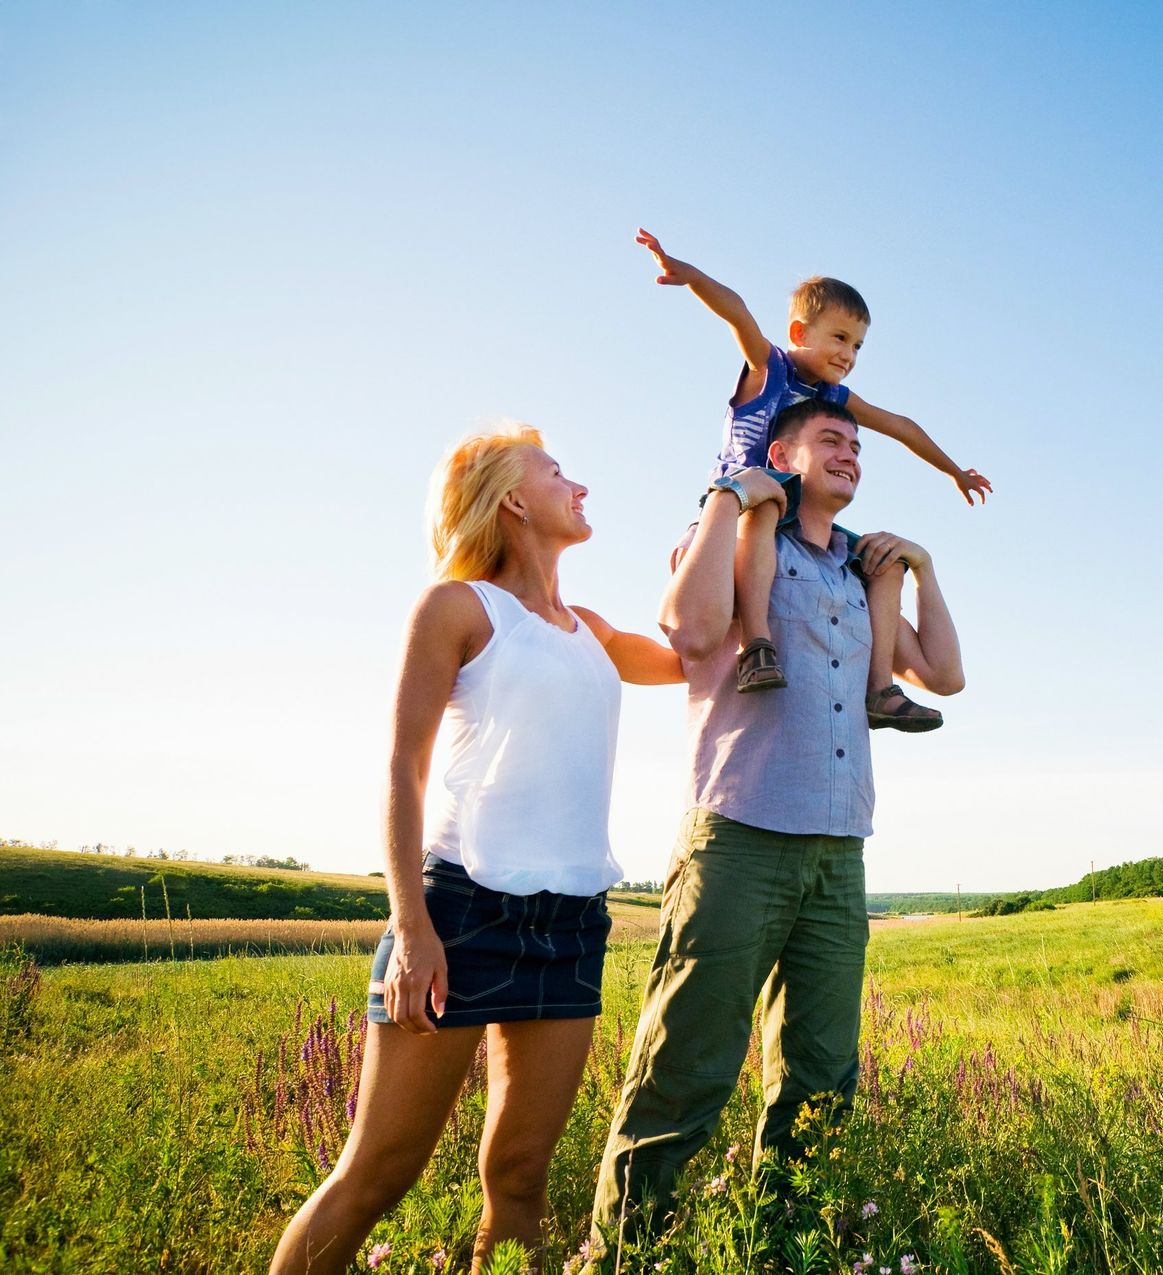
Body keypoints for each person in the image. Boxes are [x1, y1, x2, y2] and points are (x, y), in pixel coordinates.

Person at [271, 423, 698, 1275]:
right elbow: (403, 768)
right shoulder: (458, 608)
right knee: (377, 1171)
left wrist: (709, 541)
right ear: (513, 500)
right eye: (558, 473)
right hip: (461, 911)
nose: (579, 486)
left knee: (520, 1175)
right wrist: (414, 927)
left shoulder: (594, 633)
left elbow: (698, 655)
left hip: (573, 922)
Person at [592, 398, 965, 1258]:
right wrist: (731, 494)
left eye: (859, 447)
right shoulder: (735, 536)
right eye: (833, 439)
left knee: (822, 1079)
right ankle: (622, 1253)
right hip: (740, 835)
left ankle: (786, 1247)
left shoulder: (855, 573)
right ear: (784, 452)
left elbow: (944, 673)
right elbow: (686, 630)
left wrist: (924, 567)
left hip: (840, 850)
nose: (853, 454)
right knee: (685, 1065)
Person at [633, 226, 986, 731]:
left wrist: (953, 471)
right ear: (800, 333)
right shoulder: (770, 367)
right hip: (744, 501)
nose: (849, 354)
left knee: (882, 562)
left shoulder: (835, 399)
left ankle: (880, 688)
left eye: (859, 346)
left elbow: (900, 425)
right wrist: (689, 276)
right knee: (768, 502)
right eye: (840, 338)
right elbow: (738, 312)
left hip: (797, 516)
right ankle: (758, 643)